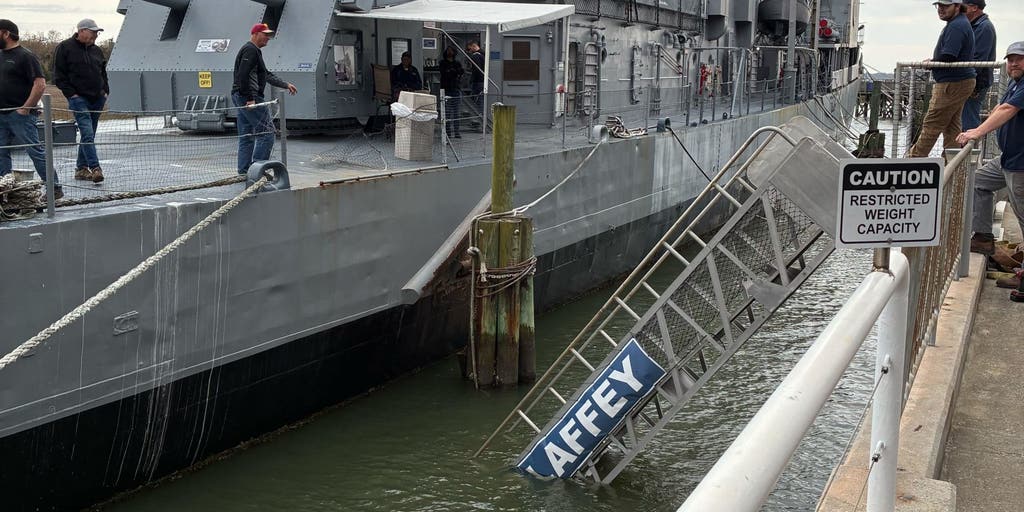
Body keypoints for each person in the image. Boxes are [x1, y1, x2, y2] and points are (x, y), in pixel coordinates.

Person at [956, 42, 1024, 288]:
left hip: (1020, 164)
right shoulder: (1015, 83)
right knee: (978, 181)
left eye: (1019, 59)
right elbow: (999, 106)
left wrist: (978, 132)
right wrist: (978, 124)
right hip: (1008, 158)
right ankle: (983, 237)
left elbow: (1008, 109)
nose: (1013, 64)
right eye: (1010, 59)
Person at [0, 19, 62, 199]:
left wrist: (26, 108)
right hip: (1, 114)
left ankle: (54, 188)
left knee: (34, 151)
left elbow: (40, 84)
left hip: (20, 115)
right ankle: (6, 189)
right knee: (1, 153)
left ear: (6, 33)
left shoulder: (26, 56)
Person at [907, 0, 975, 158]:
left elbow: (949, 55)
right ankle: (951, 165)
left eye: (945, 6)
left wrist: (931, 64)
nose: (940, 9)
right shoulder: (959, 23)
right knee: (952, 127)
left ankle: (912, 162)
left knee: (932, 123)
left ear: (957, 6)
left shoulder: (957, 26)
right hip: (960, 81)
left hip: (952, 83)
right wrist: (934, 60)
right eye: (939, 6)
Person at [231, 23, 297, 176]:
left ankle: (244, 171)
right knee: (267, 133)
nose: (268, 37)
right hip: (249, 98)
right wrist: (250, 98)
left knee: (246, 135)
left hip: (240, 96)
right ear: (255, 34)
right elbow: (243, 75)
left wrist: (285, 84)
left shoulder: (254, 51)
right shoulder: (250, 50)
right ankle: (257, 171)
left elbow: (265, 74)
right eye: (265, 34)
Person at [53, 18, 110, 184]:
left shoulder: (97, 51)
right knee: (87, 133)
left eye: (96, 33)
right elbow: (59, 75)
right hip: (79, 99)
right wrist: (72, 95)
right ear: (81, 31)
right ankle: (95, 168)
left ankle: (80, 169)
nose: (95, 35)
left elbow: (103, 72)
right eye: (93, 32)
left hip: (97, 98)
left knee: (89, 135)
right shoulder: (64, 48)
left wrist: (105, 91)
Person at [960, 0, 996, 131]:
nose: (960, 9)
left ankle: (969, 150)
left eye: (963, 6)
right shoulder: (975, 25)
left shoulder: (983, 27)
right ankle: (962, 149)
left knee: (968, 120)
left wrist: (970, 83)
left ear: (974, 7)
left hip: (976, 83)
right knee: (963, 119)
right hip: (972, 80)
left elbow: (978, 59)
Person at [439, 46, 464, 138]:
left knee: (456, 112)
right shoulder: (443, 63)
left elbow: (461, 71)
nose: (450, 52)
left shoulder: (457, 63)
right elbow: (445, 73)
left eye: (451, 50)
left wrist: (452, 72)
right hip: (446, 89)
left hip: (455, 89)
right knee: (447, 112)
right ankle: (448, 132)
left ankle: (457, 132)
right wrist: (453, 72)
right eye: (448, 51)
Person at [467, 40, 485, 127]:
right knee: (480, 101)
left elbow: (476, 70)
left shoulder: (475, 56)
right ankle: (479, 120)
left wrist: (472, 77)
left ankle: (476, 121)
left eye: (469, 49)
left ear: (473, 46)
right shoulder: (483, 54)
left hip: (477, 81)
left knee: (475, 101)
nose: (469, 51)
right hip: (482, 81)